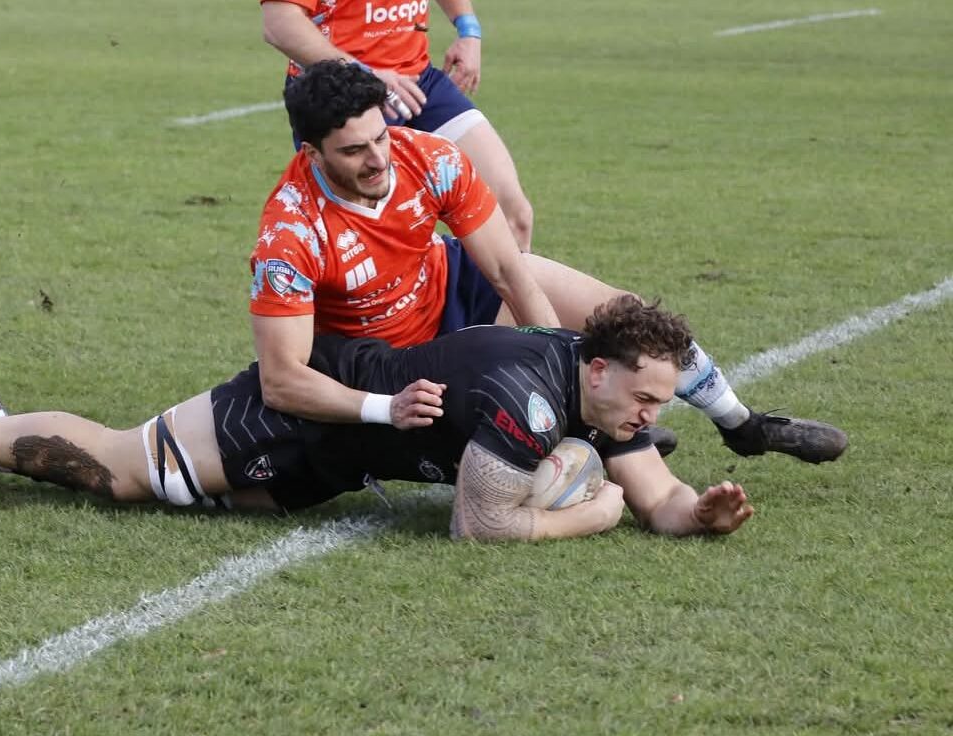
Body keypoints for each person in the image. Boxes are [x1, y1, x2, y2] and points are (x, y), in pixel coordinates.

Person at [249, 60, 847, 464]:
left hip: (450, 288)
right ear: (312, 153)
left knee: (626, 316)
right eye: (355, 150)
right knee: (534, 439)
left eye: (381, 136)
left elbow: (508, 272)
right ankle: (598, 438)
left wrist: (554, 357)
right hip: (399, 361)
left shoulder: (428, 158)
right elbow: (282, 376)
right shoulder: (289, 231)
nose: (379, 158)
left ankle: (741, 424)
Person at [0, 298, 753, 540]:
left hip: (331, 467)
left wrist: (697, 513)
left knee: (217, 510)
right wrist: (593, 511)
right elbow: (482, 526)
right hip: (296, 414)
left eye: (658, 403)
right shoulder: (523, 396)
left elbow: (659, 497)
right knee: (122, 473)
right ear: (597, 371)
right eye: (645, 399)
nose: (650, 418)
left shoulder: (604, 402)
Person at [259, 0, 537, 251]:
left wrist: (469, 30)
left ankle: (511, 294)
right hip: (344, 97)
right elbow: (279, 23)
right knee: (367, 248)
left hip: (419, 82)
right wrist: (364, 73)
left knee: (514, 217)